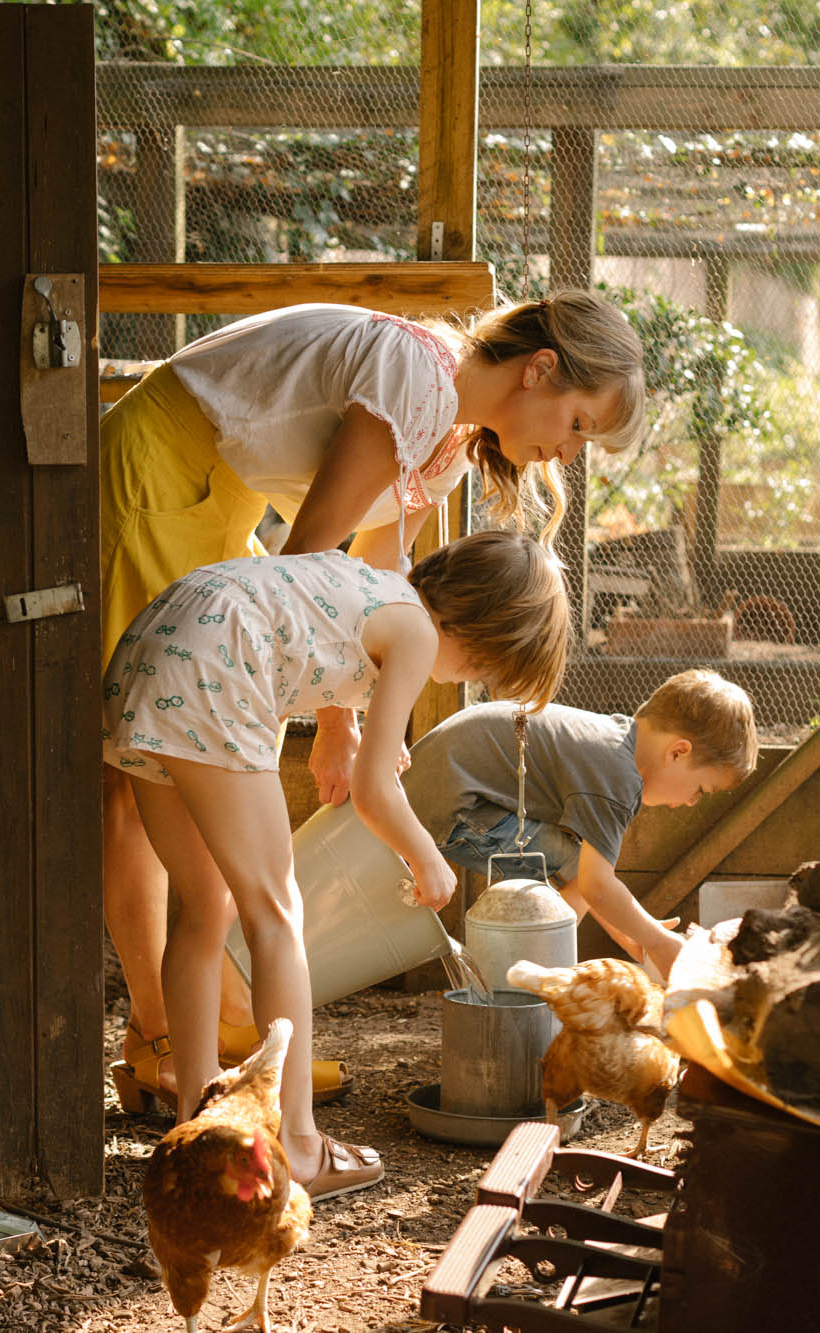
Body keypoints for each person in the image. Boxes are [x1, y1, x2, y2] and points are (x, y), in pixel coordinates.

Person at [101, 292, 648, 1110]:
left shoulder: (450, 436)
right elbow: (310, 560)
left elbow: (372, 564)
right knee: (141, 778)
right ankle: (168, 1035)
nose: (569, 452)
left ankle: (209, 1026)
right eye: (578, 423)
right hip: (165, 467)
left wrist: (346, 719)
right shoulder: (416, 378)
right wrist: (339, 722)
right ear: (540, 370)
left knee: (174, 776)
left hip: (223, 497)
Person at [102, 529, 572, 1199]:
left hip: (153, 650)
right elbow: (376, 792)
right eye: (486, 668)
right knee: (277, 912)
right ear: (483, 631)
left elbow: (318, 663)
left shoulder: (378, 586)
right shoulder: (416, 634)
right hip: (214, 668)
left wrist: (357, 737)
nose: (471, 678)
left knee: (203, 908)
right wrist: (427, 857)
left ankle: (200, 1135)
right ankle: (295, 1142)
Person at [401, 668, 760, 980]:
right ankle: (535, 964)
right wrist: (658, 941)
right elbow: (596, 886)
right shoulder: (617, 778)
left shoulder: (613, 742)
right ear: (678, 752)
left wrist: (632, 932)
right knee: (561, 877)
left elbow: (589, 878)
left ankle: (544, 956)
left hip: (443, 790)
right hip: (450, 804)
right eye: (701, 789)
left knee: (573, 861)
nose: (691, 801)